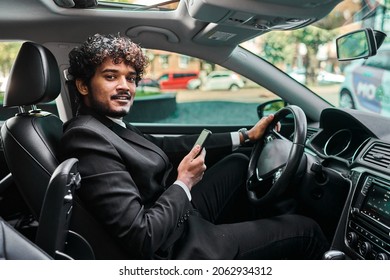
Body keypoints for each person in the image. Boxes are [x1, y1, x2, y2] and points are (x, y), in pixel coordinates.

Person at [61, 33, 329, 260]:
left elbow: (165, 145)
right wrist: (184, 183)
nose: (124, 86)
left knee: (238, 164)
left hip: (177, 216)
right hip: (175, 247)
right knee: (307, 230)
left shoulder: (108, 123)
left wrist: (244, 137)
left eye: (130, 78)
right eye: (111, 77)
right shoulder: (87, 138)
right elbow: (142, 236)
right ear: (83, 85)